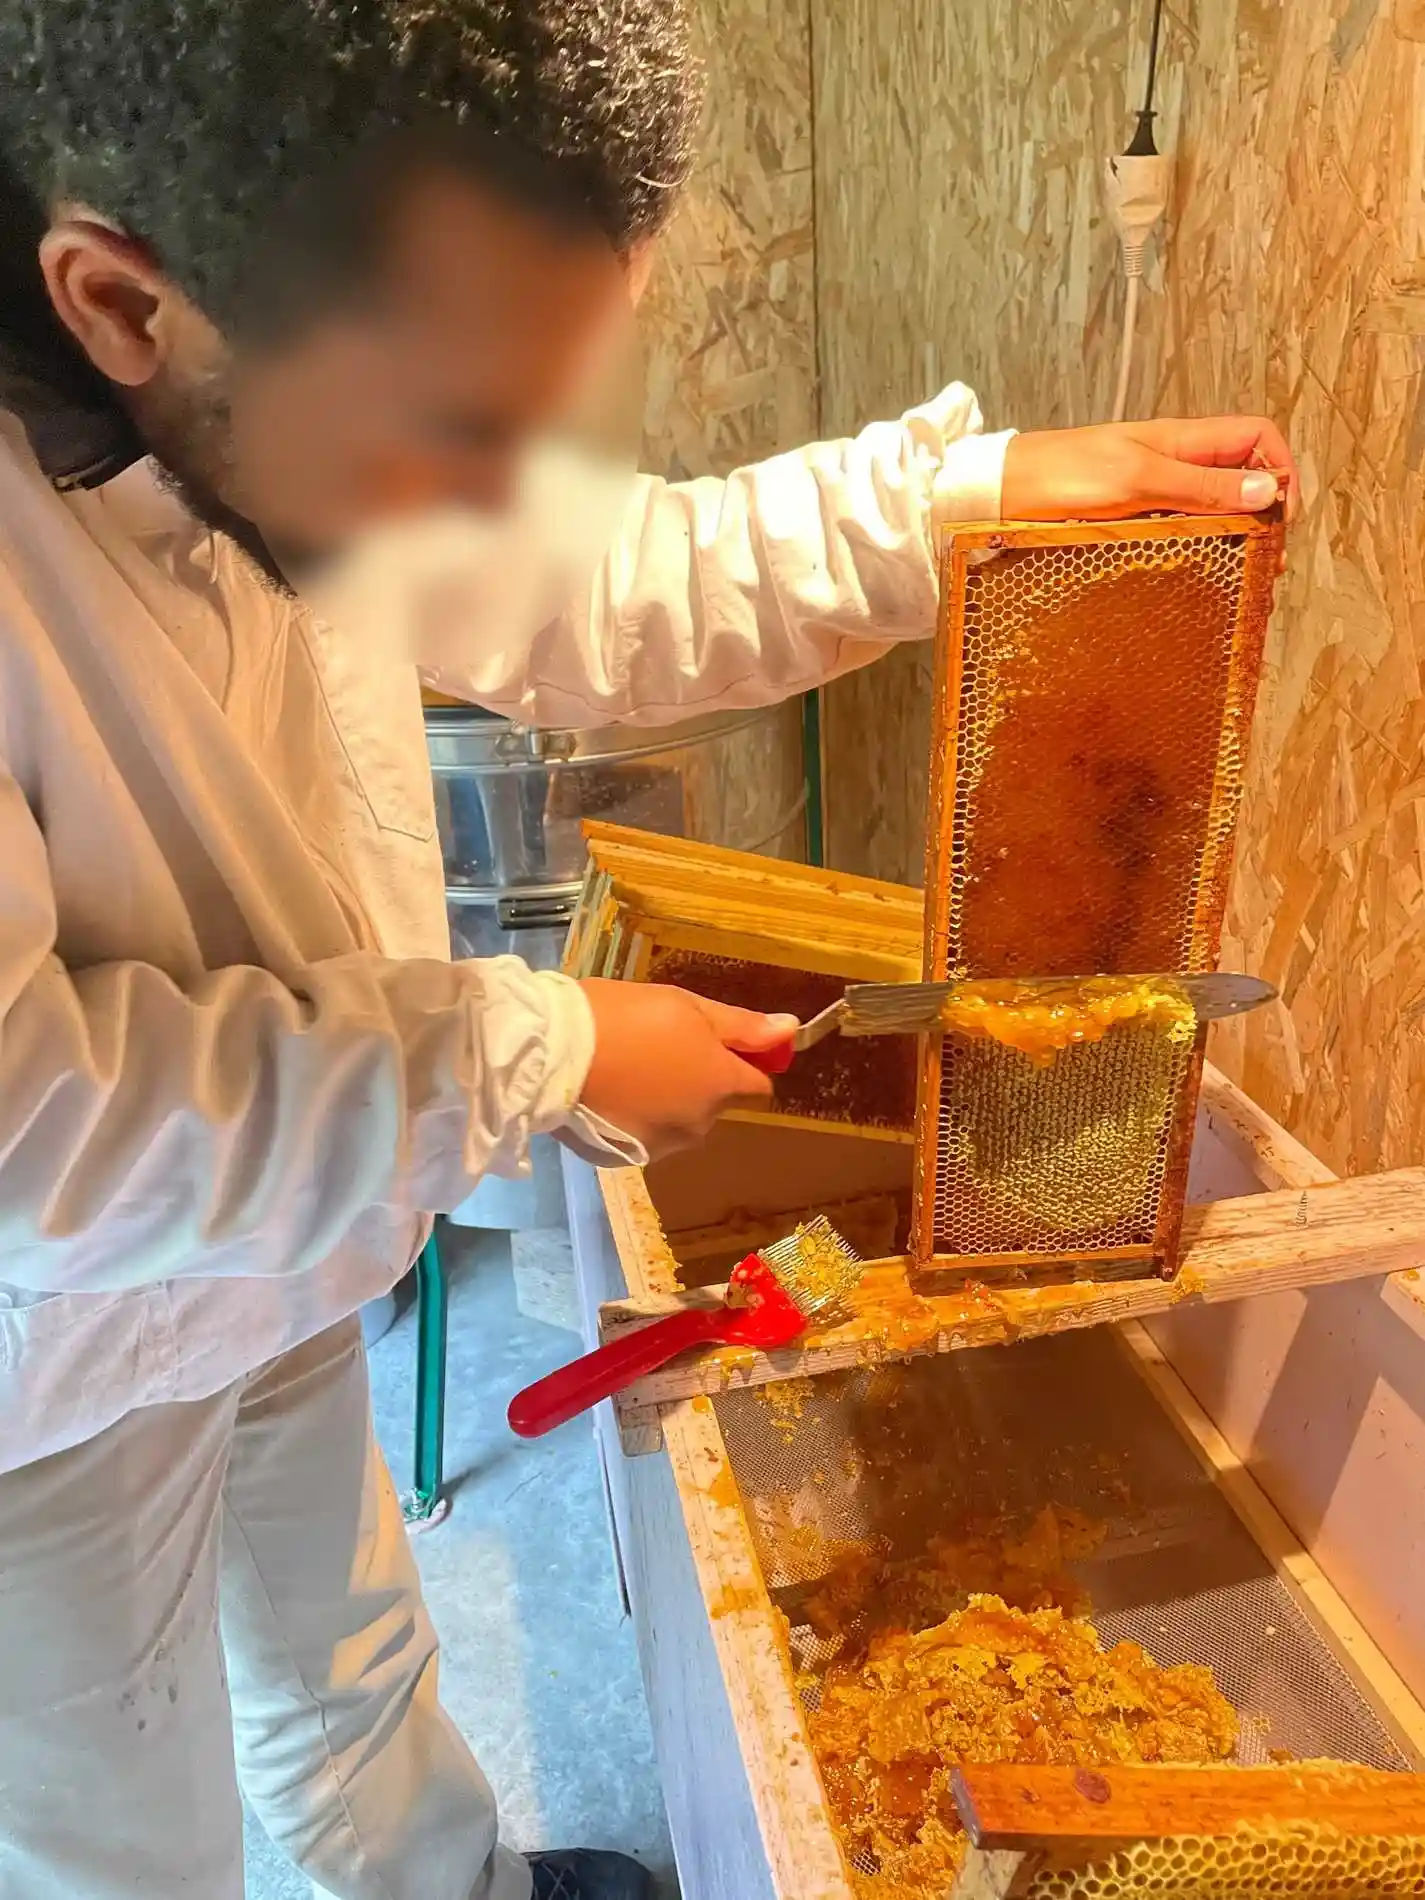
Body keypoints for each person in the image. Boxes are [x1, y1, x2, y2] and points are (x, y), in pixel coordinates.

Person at [0, 5, 1295, 1899]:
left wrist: (946, 506)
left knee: (349, 1661)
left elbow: (585, 571)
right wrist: (538, 1051)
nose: (489, 496)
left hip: (279, 1240)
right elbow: (33, 1132)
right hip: (45, 1364)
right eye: (460, 430)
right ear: (121, 307)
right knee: (121, 1829)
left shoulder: (281, 355)